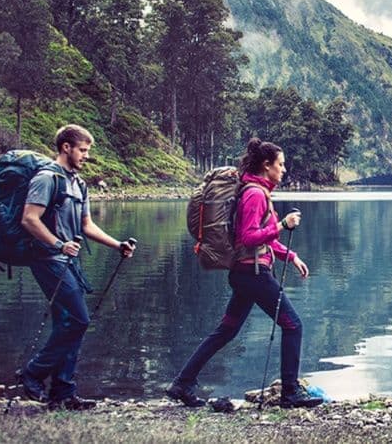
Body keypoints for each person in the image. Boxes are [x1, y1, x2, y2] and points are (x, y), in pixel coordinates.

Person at [166, 138, 322, 409]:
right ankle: (290, 393)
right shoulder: (255, 194)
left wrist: (292, 256)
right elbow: (248, 237)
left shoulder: (257, 191)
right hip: (254, 275)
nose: (284, 170)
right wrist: (283, 224)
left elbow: (265, 240)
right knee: (293, 325)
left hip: (246, 273)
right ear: (266, 165)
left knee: (226, 331)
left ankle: (182, 383)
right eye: (281, 164)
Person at [18, 124, 135, 411]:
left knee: (69, 324)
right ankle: (32, 373)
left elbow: (86, 226)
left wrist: (117, 244)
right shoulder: (47, 178)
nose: (86, 155)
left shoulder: (78, 184)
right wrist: (59, 245)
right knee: (79, 320)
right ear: (66, 147)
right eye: (82, 150)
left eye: (87, 150)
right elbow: (29, 219)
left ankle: (63, 392)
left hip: (68, 261)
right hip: (47, 259)